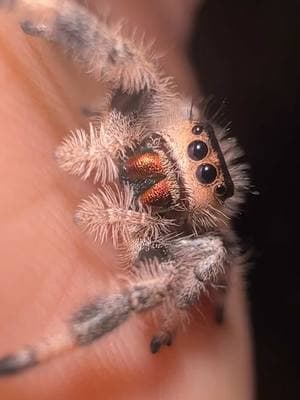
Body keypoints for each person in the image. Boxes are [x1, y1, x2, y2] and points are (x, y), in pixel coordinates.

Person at [0, 1, 254, 398]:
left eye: (199, 171)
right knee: (133, 65)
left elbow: (213, 258)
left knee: (212, 252)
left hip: (170, 237)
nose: (154, 173)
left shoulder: (176, 236)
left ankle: (48, 350)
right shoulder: (139, 121)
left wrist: (172, 317)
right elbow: (120, 58)